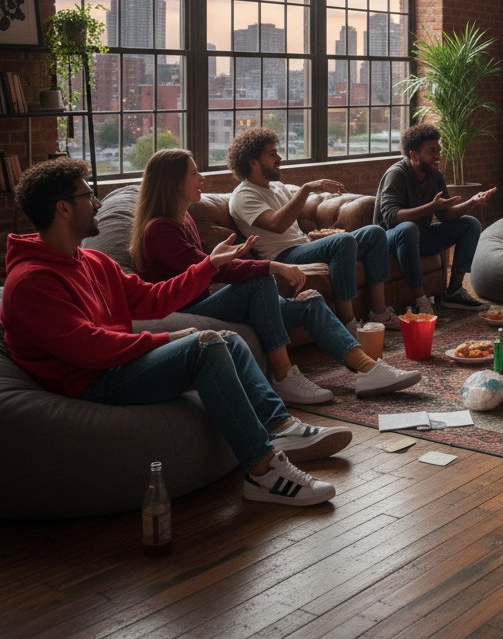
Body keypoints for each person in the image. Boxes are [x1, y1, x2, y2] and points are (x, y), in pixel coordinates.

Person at [1, 158, 350, 508]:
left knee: (227, 339)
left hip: (115, 366)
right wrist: (168, 339)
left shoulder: (93, 261)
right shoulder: (32, 281)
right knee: (204, 347)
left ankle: (280, 426)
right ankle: (263, 472)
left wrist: (209, 265)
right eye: (88, 195)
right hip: (91, 382)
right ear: (63, 209)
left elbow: (153, 299)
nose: (97, 203)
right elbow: (88, 348)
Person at [132, 149, 421, 401]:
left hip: (204, 298)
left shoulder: (183, 219)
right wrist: (275, 266)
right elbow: (211, 269)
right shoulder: (160, 229)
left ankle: (368, 369)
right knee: (260, 281)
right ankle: (283, 375)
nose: (202, 178)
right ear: (174, 182)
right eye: (194, 173)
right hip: (184, 311)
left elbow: (212, 267)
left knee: (311, 302)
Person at [226, 127, 402, 347]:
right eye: (272, 154)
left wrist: (315, 237)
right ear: (253, 162)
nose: (279, 158)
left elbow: (293, 226)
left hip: (302, 246)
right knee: (343, 241)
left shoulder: (277, 187)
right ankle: (348, 324)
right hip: (282, 257)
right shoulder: (243, 196)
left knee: (374, 233)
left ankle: (379, 312)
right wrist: (306, 189)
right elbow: (277, 225)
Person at [373, 124, 495, 314]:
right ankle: (420, 299)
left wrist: (472, 201)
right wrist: (431, 206)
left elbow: (445, 215)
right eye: (431, 151)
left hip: (419, 236)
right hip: (389, 240)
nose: (437, 156)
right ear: (414, 155)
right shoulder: (396, 174)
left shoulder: (434, 175)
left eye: (438, 150)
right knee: (408, 228)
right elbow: (391, 218)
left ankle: (454, 291)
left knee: (470, 224)